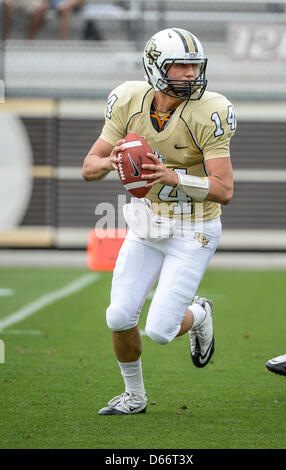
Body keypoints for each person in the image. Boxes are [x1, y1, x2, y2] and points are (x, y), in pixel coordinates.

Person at [82, 28, 236, 415]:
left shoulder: (210, 110)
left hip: (195, 227)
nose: (188, 74)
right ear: (155, 67)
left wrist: (174, 177)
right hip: (149, 223)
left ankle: (200, 313)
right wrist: (111, 161)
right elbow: (89, 167)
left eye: (193, 66)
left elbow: (224, 189)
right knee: (118, 316)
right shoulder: (128, 99)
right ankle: (134, 396)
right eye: (179, 66)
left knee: (161, 332)